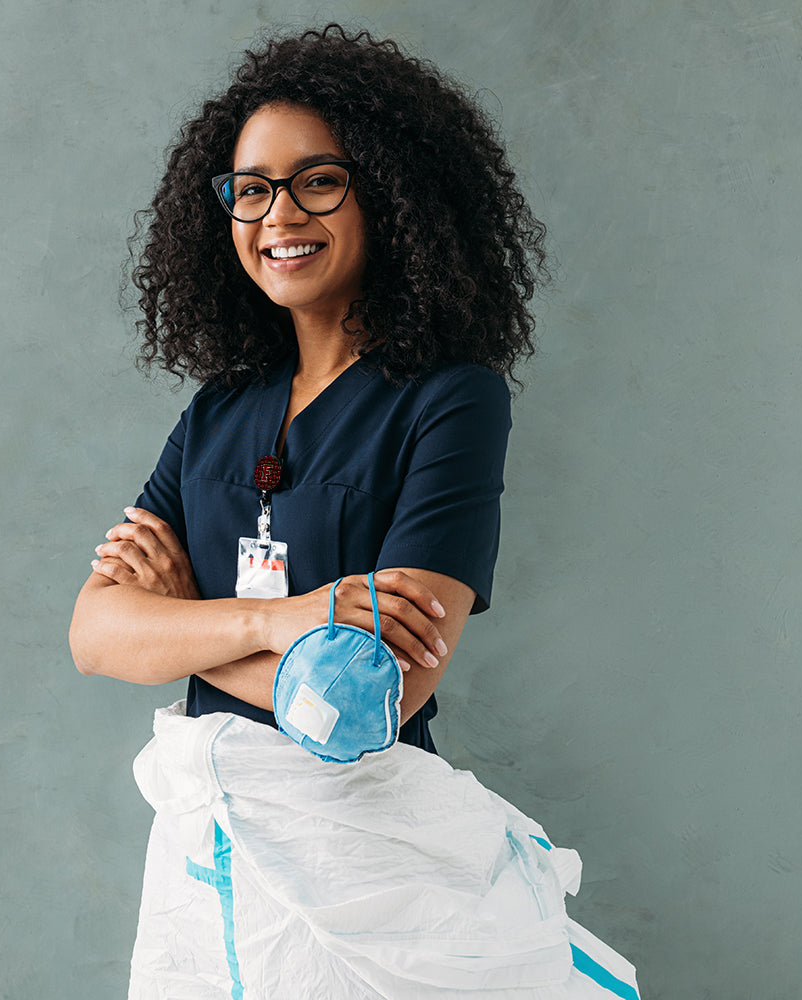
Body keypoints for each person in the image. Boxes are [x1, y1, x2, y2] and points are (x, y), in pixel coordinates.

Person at [69, 24, 640, 1000]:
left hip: (372, 871)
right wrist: (282, 620)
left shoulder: (452, 399)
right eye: (250, 188)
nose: (276, 213)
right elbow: (92, 632)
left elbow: (371, 703)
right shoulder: (218, 406)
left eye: (316, 180)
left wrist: (176, 627)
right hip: (207, 857)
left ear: (388, 190)